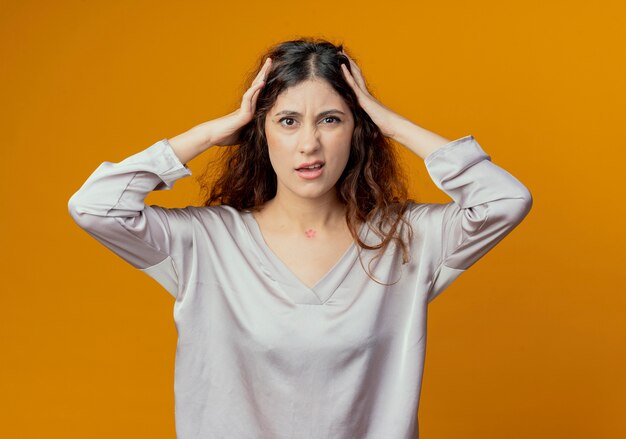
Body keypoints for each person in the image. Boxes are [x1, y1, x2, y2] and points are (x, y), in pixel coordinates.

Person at [68, 38, 533, 439]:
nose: (309, 143)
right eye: (287, 121)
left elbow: (505, 201)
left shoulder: (407, 240)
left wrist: (389, 121)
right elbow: (94, 206)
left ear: (357, 131)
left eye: (331, 120)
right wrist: (210, 132)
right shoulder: (206, 243)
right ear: (260, 131)